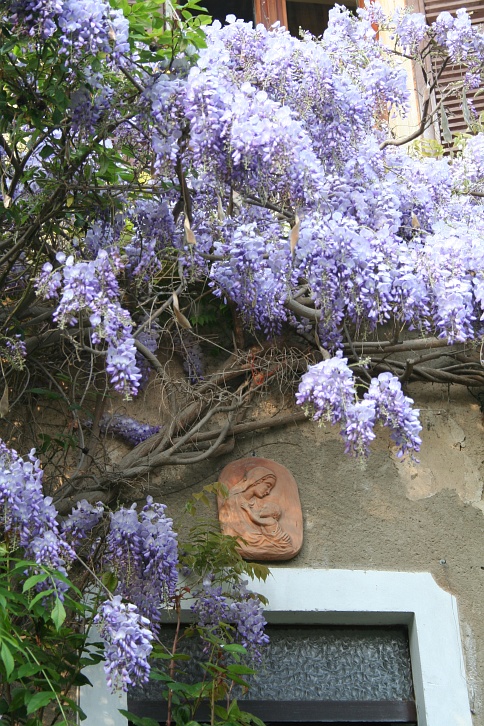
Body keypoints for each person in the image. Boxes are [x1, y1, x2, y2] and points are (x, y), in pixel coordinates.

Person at [219, 466, 293, 558]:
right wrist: (269, 540)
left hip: (259, 540)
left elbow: (264, 527)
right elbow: (233, 532)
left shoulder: (256, 504)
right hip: (246, 541)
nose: (268, 491)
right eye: (268, 485)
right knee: (284, 548)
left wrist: (279, 537)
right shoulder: (232, 501)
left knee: (286, 547)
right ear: (257, 481)